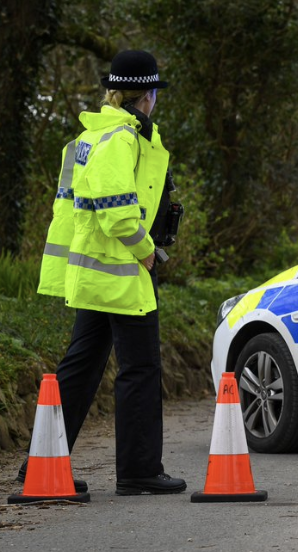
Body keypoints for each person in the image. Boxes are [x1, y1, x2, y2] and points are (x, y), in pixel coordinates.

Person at [17, 50, 185, 495]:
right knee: (141, 367)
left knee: (81, 367)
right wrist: (147, 251)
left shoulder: (88, 138)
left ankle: (40, 464)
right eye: (153, 93)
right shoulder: (120, 140)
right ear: (147, 94)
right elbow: (118, 214)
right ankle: (138, 471)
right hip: (121, 271)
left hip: (93, 272)